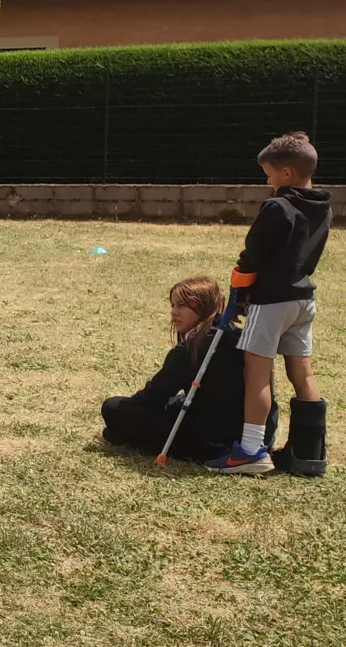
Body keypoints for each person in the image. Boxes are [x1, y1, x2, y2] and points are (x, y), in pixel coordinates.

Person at [210, 131, 331, 476]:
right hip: (303, 300)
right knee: (302, 371)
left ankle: (249, 450)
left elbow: (254, 254)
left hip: (272, 301)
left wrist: (241, 283)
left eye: (269, 174)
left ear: (287, 172)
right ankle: (309, 453)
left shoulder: (277, 206)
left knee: (257, 371)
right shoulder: (323, 206)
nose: (268, 180)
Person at [101, 277, 273, 463]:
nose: (174, 312)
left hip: (211, 440)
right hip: (255, 436)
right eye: (173, 305)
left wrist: (127, 414)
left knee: (113, 407)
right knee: (176, 402)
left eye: (182, 306)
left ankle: (122, 433)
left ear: (203, 306)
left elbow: (152, 397)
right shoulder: (240, 338)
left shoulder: (192, 349)